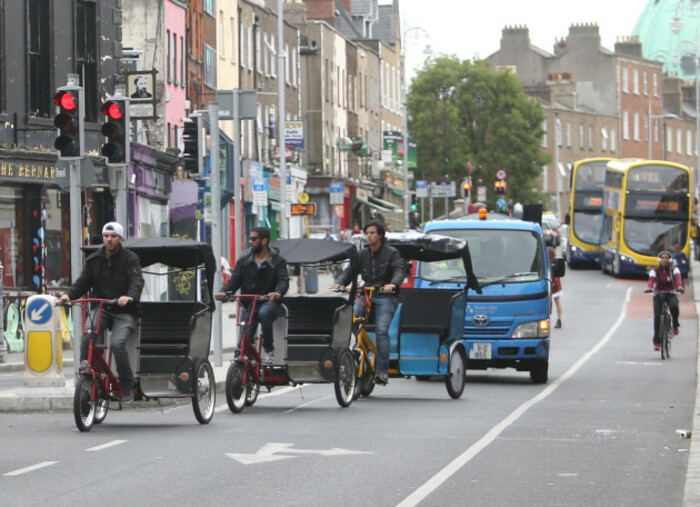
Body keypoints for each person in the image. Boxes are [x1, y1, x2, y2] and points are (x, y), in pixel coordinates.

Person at [57, 222, 144, 404]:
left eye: (113, 236)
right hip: (102, 308)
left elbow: (137, 281)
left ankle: (127, 384)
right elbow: (82, 283)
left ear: (120, 239)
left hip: (125, 311)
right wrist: (66, 295)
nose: (109, 239)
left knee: (117, 343)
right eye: (106, 236)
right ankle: (87, 371)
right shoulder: (94, 259)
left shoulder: (130, 258)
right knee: (88, 335)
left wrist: (129, 297)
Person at [331, 220, 405, 385]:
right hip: (366, 294)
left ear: (380, 235)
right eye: (367, 233)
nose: (369, 236)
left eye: (372, 233)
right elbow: (350, 272)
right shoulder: (362, 254)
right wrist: (340, 282)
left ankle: (382, 370)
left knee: (382, 331)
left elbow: (399, 270)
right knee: (350, 320)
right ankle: (357, 349)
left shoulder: (391, 253)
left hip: (386, 296)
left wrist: (393, 284)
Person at [215, 227, 289, 364]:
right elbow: (234, 281)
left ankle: (268, 349)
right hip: (249, 303)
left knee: (264, 313)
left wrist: (277, 292)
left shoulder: (278, 261)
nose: (250, 242)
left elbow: (283, 280)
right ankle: (242, 357)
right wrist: (224, 291)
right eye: (249, 239)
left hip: (269, 302)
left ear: (264, 241)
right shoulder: (243, 261)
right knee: (245, 334)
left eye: (254, 239)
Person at [645, 250, 684, 351]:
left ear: (670, 260)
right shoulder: (655, 270)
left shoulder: (674, 269)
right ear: (659, 260)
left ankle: (675, 323)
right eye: (662, 258)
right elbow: (651, 279)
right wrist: (650, 287)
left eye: (667, 258)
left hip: (671, 293)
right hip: (659, 294)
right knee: (657, 317)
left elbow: (678, 278)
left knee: (674, 306)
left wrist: (679, 286)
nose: (664, 260)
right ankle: (657, 342)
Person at [547, 246, 562, 329]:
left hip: (554, 281)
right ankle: (557, 319)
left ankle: (559, 319)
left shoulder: (552, 262)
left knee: (556, 301)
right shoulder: (549, 262)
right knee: (553, 301)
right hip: (552, 281)